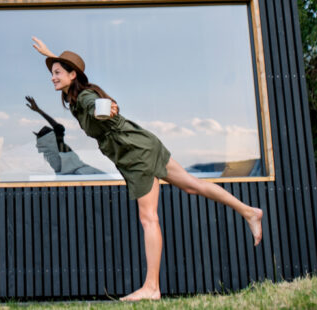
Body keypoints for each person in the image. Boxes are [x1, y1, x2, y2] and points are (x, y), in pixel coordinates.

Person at [31, 36, 263, 301]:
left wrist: (108, 109)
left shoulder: (84, 97)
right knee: (193, 186)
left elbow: (100, 107)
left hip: (137, 154)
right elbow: (78, 89)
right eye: (52, 73)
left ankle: (152, 287)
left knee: (149, 218)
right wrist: (49, 54)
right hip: (142, 145)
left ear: (73, 75)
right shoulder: (73, 96)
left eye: (57, 73)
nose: (52, 77)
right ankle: (249, 212)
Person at [25, 96, 105, 175]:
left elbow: (58, 127)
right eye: (49, 130)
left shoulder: (51, 151)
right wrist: (39, 110)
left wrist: (39, 110)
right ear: (48, 138)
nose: (52, 130)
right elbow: (58, 127)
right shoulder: (56, 146)